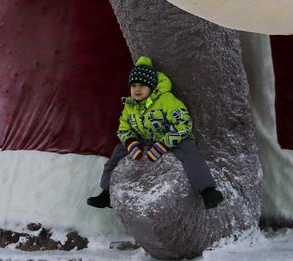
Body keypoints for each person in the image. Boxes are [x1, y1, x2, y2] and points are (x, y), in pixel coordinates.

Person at [87, 56, 224, 210]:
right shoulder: (129, 106)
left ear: (151, 87)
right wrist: (131, 142)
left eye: (142, 86)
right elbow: (123, 129)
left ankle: (207, 191)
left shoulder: (166, 100)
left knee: (190, 152)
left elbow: (184, 124)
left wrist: (163, 144)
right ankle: (107, 193)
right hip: (144, 141)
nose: (137, 89)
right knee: (118, 151)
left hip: (172, 140)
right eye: (134, 85)